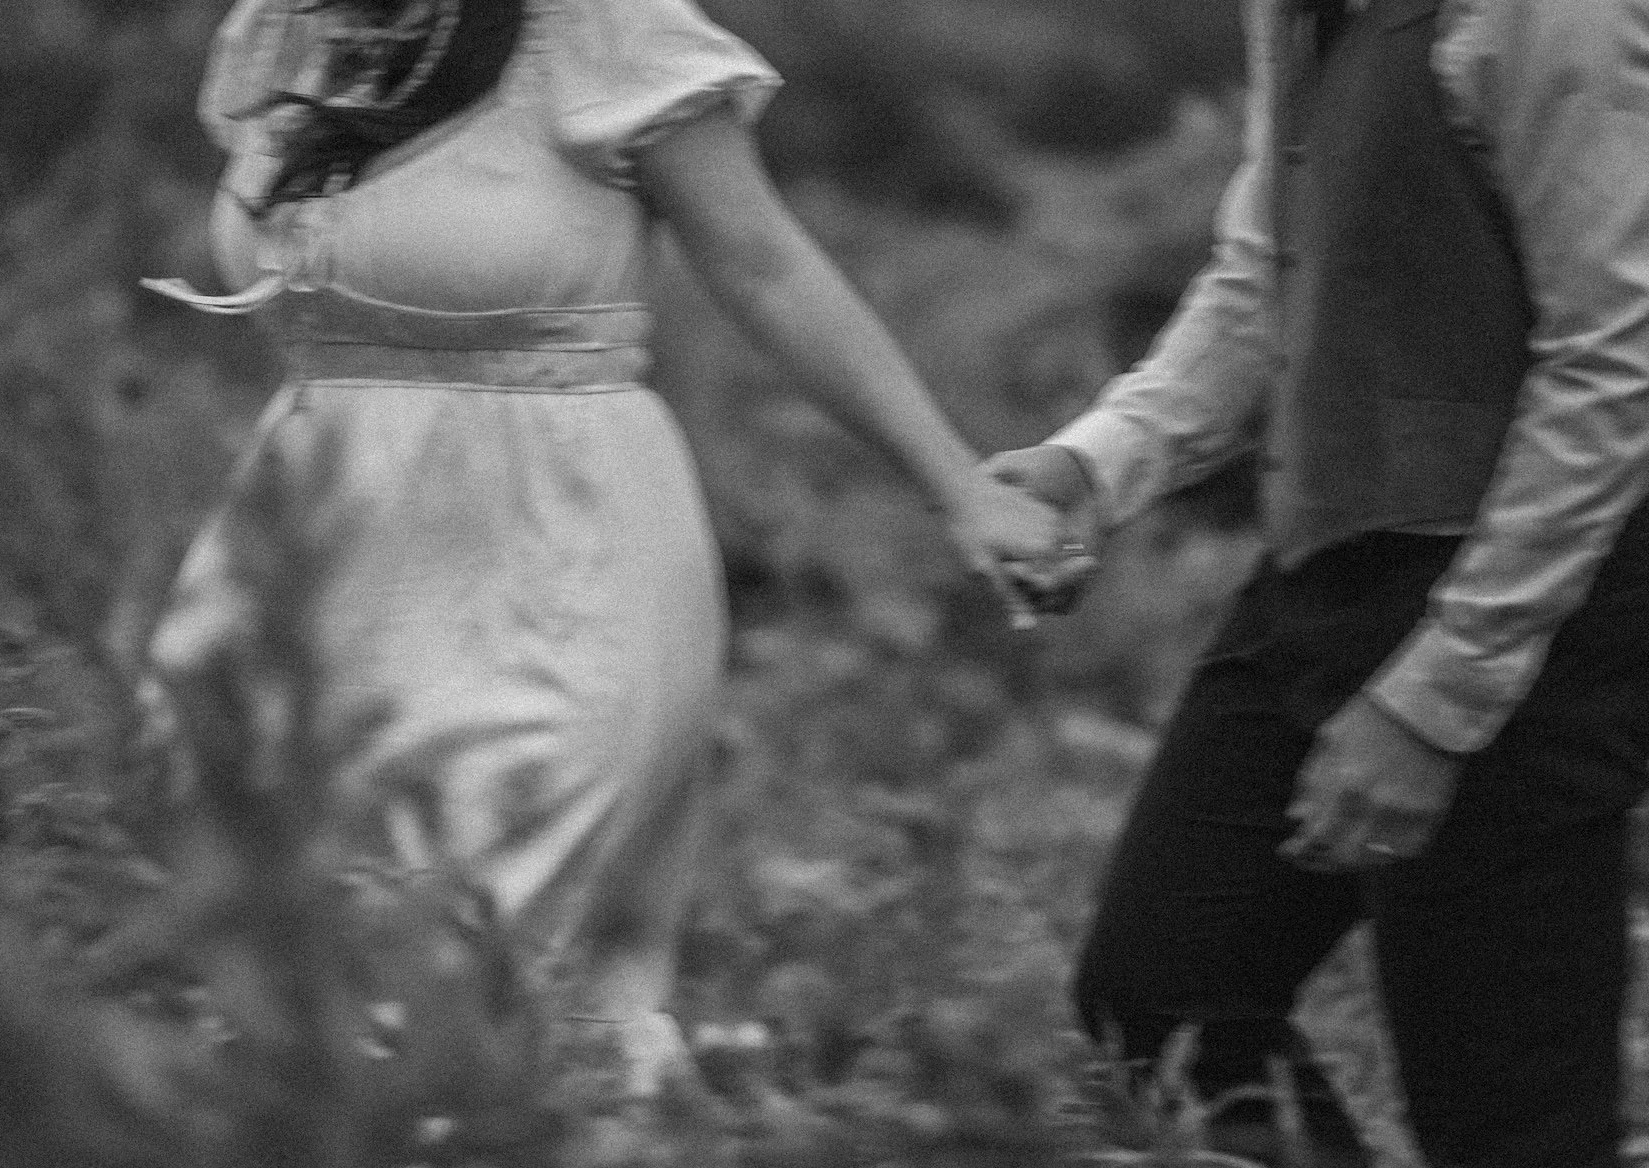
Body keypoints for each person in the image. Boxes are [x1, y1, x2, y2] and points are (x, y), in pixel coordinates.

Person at [145, 0, 1068, 1111]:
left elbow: (767, 268)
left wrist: (955, 482)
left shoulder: (601, 31)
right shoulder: (285, 30)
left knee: (479, 928)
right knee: (260, 929)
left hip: (558, 539)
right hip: (314, 534)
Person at [987, 0, 1649, 1164]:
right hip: (1323, 572)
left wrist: (1435, 705)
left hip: (1527, 608)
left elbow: (1616, 362)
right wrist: (1095, 466)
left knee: (1511, 1129)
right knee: (1166, 991)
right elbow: (1265, 272)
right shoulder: (1297, 13)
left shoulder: (1549, 17)